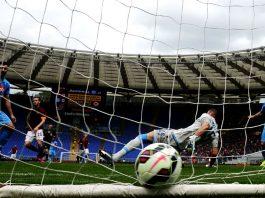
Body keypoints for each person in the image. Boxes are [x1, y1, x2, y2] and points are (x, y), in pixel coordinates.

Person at [99, 108, 219, 168]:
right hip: (180, 147)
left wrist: (194, 137)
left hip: (175, 136)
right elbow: (214, 152)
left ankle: (115, 157)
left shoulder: (206, 116)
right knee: (165, 159)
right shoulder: (216, 133)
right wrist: (210, 165)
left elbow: (205, 126)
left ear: (209, 112)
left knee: (143, 137)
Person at [0, 62, 16, 158]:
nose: (3, 70)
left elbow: (7, 99)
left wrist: (12, 114)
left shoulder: (6, 83)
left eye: (5, 69)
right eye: (1, 68)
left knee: (11, 126)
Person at [24, 96, 47, 162]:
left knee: (39, 143)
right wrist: (29, 126)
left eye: (36, 100)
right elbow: (27, 119)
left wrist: (37, 127)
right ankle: (40, 151)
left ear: (39, 101)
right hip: (31, 130)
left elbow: (43, 120)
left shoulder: (42, 109)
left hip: (39, 129)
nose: (35, 101)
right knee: (27, 144)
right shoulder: (31, 110)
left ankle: (40, 157)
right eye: (34, 100)